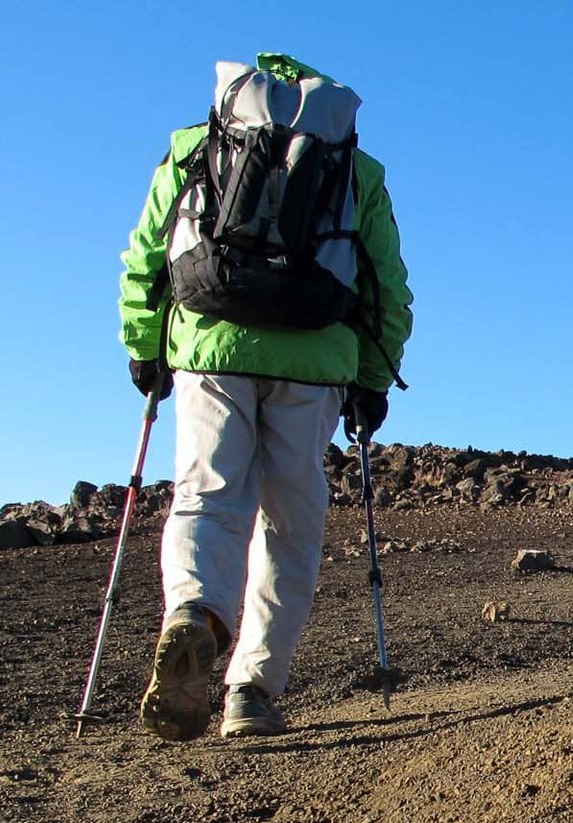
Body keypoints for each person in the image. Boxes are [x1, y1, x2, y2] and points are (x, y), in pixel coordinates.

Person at [118, 53, 411, 740]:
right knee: (289, 529)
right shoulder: (354, 169)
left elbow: (146, 253)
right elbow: (387, 288)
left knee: (207, 496)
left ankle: (194, 611)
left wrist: (144, 345)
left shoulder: (195, 147)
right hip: (313, 359)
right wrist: (373, 378)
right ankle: (251, 690)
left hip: (209, 345)